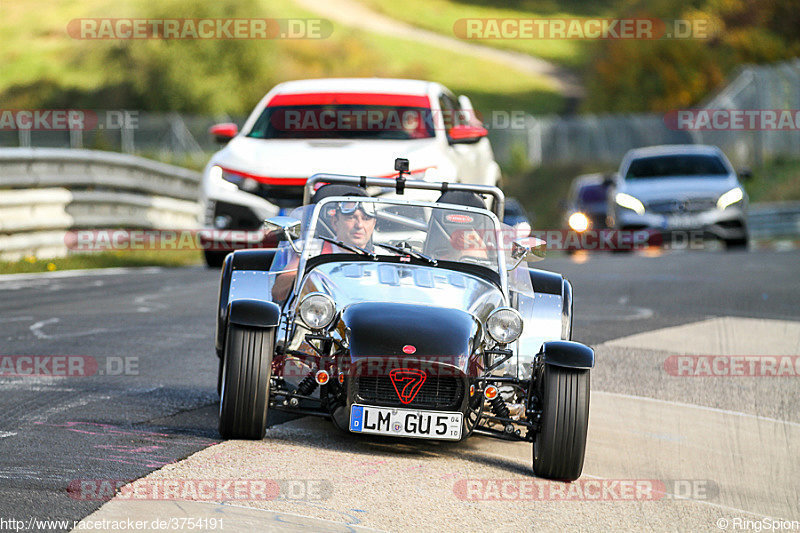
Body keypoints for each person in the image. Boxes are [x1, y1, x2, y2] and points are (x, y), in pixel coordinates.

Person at [271, 200, 377, 301]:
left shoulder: (384, 255)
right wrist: (305, 271)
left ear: (373, 224)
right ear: (335, 222)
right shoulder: (310, 249)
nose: (359, 225)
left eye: (366, 218)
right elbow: (278, 293)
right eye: (351, 218)